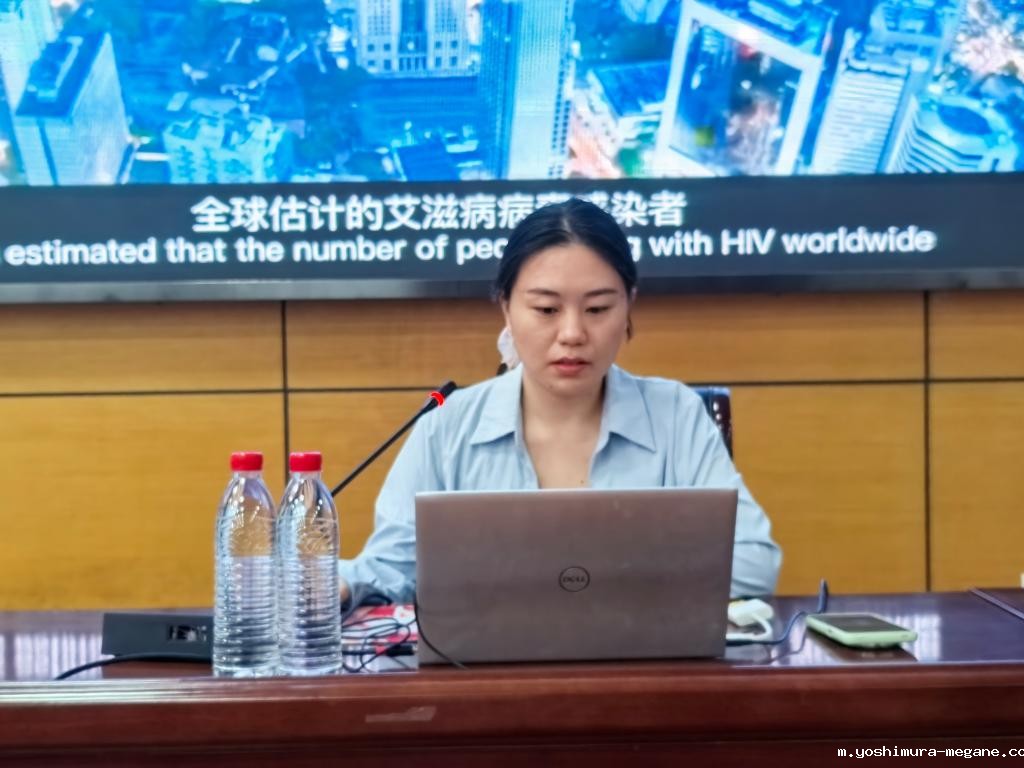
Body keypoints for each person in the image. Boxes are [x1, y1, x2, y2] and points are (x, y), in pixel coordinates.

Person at [339, 198, 781, 608]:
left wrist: (576, 582)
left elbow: (753, 563)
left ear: (628, 305)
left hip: (641, 660)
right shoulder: (446, 426)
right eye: (547, 310)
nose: (572, 334)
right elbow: (392, 568)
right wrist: (334, 586)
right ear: (507, 308)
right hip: (482, 665)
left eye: (597, 309)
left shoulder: (676, 415)